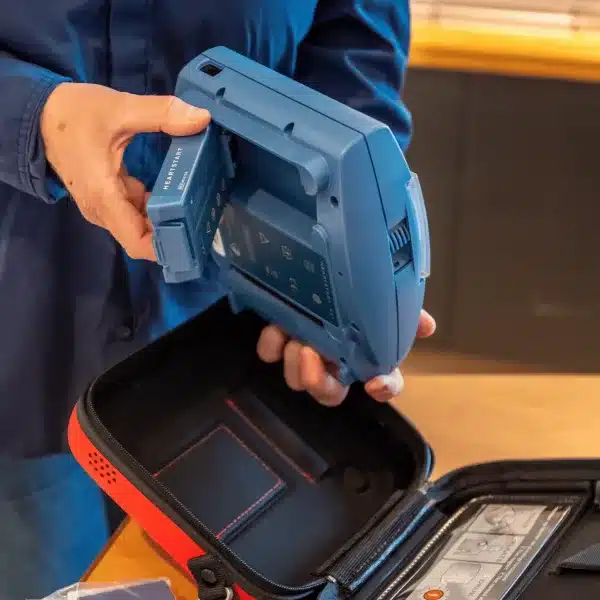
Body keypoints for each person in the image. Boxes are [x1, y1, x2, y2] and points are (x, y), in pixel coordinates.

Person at [0, 1, 435, 598]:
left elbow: (353, 48)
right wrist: (36, 117)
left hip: (231, 347)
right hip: (21, 342)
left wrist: (339, 241)